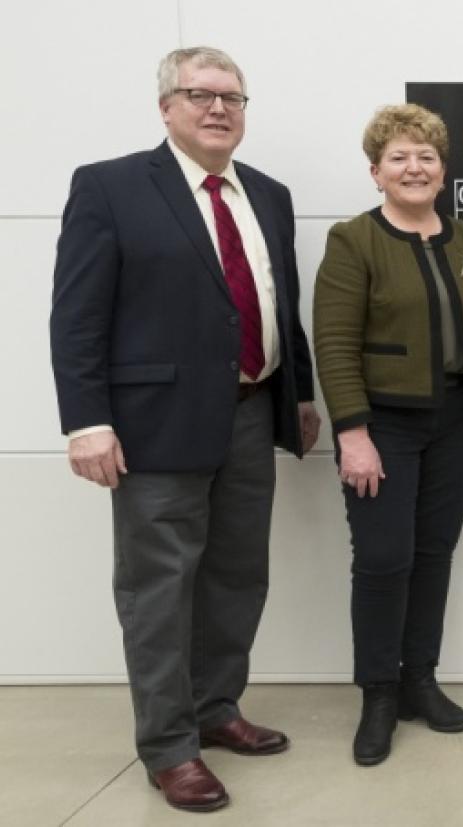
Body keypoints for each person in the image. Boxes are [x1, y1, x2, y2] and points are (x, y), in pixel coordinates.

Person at [49, 46, 319, 812]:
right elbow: (76, 316)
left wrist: (295, 394)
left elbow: (275, 301)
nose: (218, 109)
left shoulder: (268, 193)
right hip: (152, 427)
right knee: (159, 590)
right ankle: (170, 747)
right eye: (199, 94)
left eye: (232, 97)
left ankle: (216, 708)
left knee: (238, 575)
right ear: (165, 106)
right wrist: (87, 421)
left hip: (249, 411)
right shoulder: (110, 187)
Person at [313, 103, 463, 766]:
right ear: (376, 172)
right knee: (382, 559)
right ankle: (378, 692)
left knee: (433, 554)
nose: (414, 167)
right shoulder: (353, 240)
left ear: (442, 170)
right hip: (384, 426)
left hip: (458, 420)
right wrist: (352, 432)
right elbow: (335, 342)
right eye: (398, 157)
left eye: (425, 156)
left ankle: (418, 681)